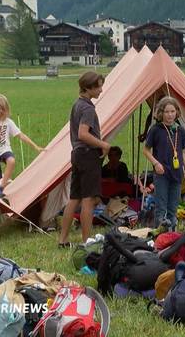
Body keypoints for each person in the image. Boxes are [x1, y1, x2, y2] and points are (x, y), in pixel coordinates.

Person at [59, 71, 110, 247]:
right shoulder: (88, 108)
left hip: (77, 155)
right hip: (88, 155)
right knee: (88, 200)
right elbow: (83, 134)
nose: (101, 90)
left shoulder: (77, 104)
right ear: (88, 88)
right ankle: (87, 242)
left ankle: (63, 240)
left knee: (74, 199)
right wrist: (103, 145)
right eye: (98, 87)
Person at [142, 97, 185, 230]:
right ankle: (160, 234)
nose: (170, 115)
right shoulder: (155, 130)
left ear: (177, 112)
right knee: (161, 207)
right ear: (161, 113)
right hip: (162, 174)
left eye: (172, 111)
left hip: (176, 174)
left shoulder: (180, 130)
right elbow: (146, 150)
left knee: (173, 207)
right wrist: (156, 163)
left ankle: (172, 234)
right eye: (167, 112)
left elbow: (183, 153)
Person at [0, 96, 43, 196]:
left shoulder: (8, 122)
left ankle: (2, 187)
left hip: (4, 149)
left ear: (4, 111)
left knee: (11, 160)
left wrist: (36, 146)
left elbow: (21, 135)